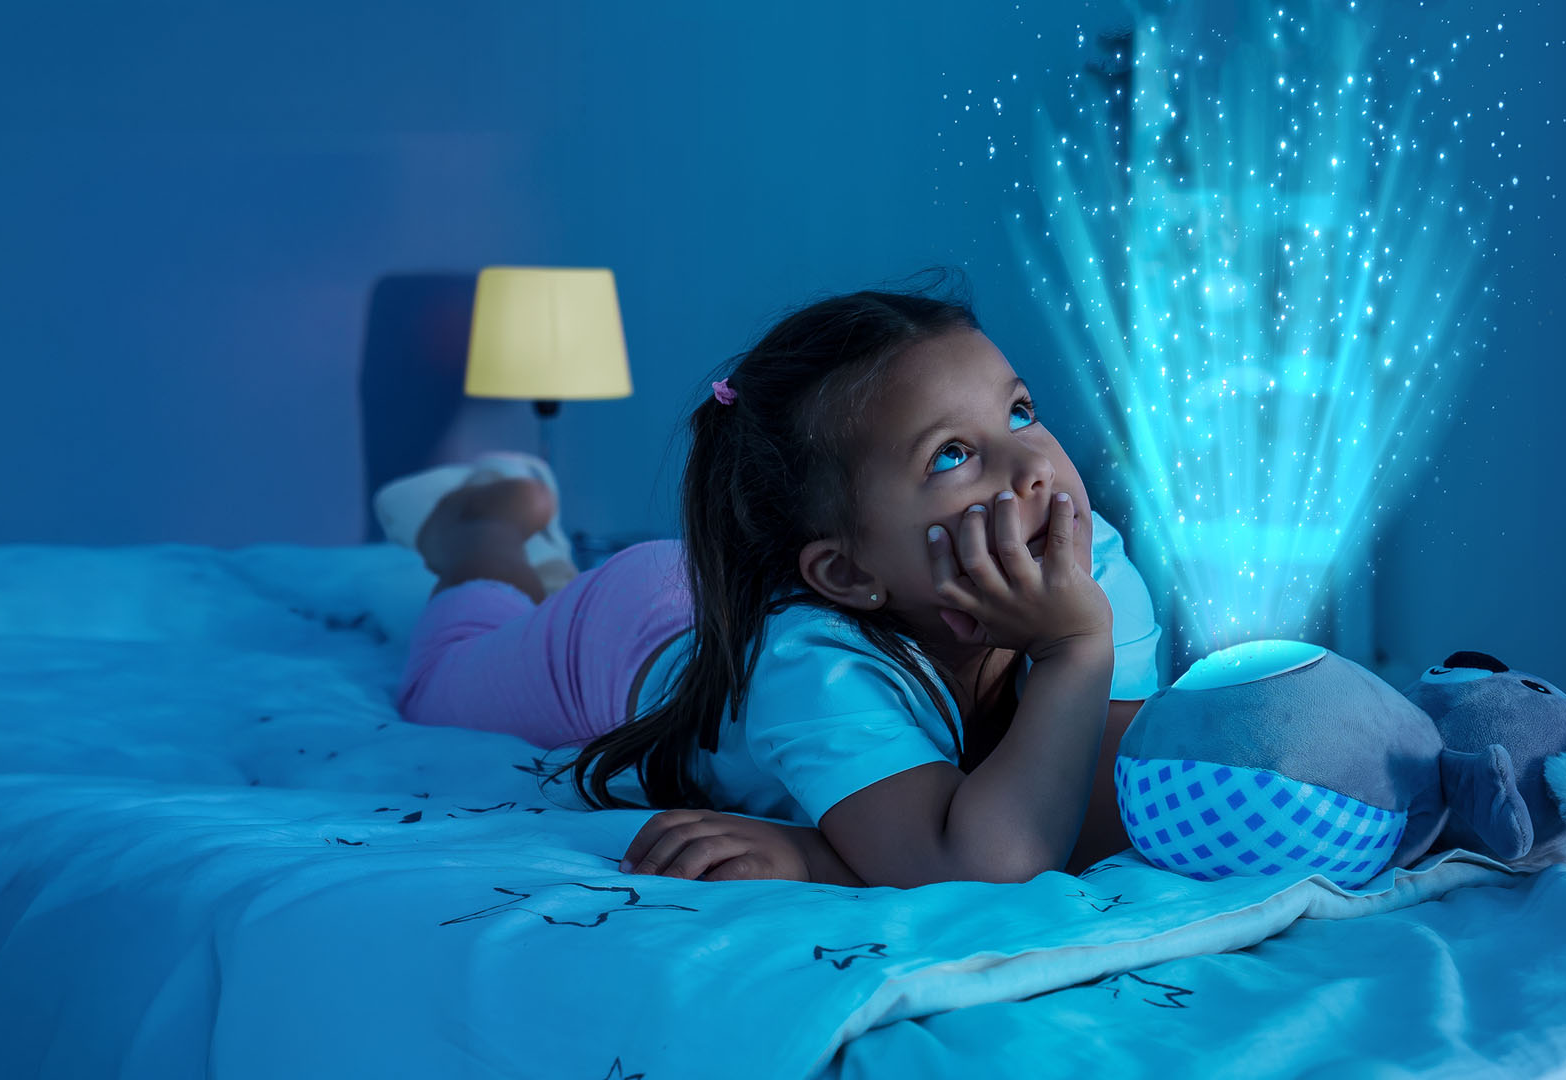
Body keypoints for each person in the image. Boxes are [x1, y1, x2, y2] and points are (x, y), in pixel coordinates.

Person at [383, 274, 1163, 890]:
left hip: (721, 608)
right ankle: (483, 524)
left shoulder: (1086, 562)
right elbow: (976, 868)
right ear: (847, 571)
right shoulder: (816, 661)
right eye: (951, 456)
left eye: (1020, 411)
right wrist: (1072, 651)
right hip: (623, 640)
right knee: (437, 682)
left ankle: (539, 556)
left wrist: (815, 854)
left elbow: (1095, 824)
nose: (1032, 466)